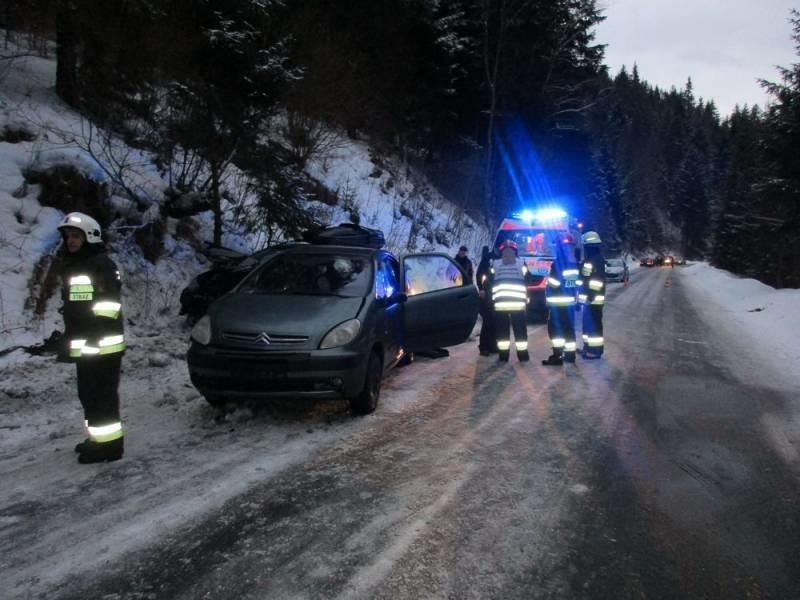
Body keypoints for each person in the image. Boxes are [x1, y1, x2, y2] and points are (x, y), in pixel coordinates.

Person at [57, 212, 126, 463]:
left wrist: (89, 333)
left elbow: (107, 307)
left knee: (102, 398)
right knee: (88, 395)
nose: (71, 241)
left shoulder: (101, 265)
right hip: (87, 346)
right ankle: (97, 439)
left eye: (76, 236)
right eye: (68, 237)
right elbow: (77, 309)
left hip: (102, 347)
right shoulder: (77, 266)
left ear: (89, 236)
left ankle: (110, 448)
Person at [542, 234, 579, 365]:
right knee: (569, 330)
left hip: (557, 303)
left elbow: (555, 283)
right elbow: (575, 284)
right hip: (569, 303)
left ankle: (557, 356)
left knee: (555, 330)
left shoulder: (558, 264)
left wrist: (548, 281)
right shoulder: (574, 262)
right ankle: (570, 355)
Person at [490, 240, 529, 362]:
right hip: (518, 304)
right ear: (515, 251)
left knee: (502, 332)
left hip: (501, 304)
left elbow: (490, 280)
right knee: (520, 330)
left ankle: (503, 356)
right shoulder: (521, 263)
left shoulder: (495, 264)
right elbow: (529, 278)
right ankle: (523, 356)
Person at [577, 230, 606, 359]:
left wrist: (590, 296)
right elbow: (584, 278)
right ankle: (588, 348)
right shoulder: (590, 260)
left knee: (594, 326)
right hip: (588, 300)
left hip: (593, 301)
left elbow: (596, 281)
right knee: (588, 325)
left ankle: (595, 351)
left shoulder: (597, 260)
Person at [475, 245, 497, 356]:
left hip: (499, 293)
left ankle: (493, 345)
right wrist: (481, 288)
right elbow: (479, 274)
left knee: (496, 321)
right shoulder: (488, 258)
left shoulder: (504, 258)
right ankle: (484, 346)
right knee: (488, 320)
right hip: (488, 292)